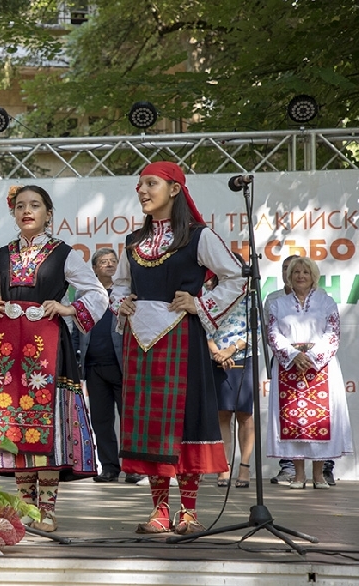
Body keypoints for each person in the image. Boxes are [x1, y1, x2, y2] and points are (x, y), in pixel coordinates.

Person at [112, 161, 245, 535]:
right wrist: (119, 303)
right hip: (140, 341)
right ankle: (158, 510)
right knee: (150, 425)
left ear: (174, 189)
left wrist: (200, 304)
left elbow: (236, 276)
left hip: (182, 339)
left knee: (186, 419)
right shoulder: (133, 242)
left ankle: (188, 510)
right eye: (139, 185)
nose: (142, 191)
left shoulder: (197, 236)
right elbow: (120, 285)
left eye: (151, 183)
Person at [0, 184, 107, 533]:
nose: (27, 211)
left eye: (35, 205)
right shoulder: (2, 254)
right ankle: (25, 509)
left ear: (48, 213)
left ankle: (47, 510)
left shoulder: (64, 253)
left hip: (48, 347)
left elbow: (97, 292)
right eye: (20, 205)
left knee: (46, 425)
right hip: (9, 350)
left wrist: (67, 307)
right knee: (16, 425)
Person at [266, 257, 353, 489]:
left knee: (320, 420)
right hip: (289, 367)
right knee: (294, 422)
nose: (300, 276)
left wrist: (312, 358)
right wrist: (294, 355)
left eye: (305, 272)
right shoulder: (278, 304)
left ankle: (319, 475)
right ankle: (298, 476)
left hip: (321, 368)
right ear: (289, 276)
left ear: (313, 276)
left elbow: (332, 333)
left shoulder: (326, 302)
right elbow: (273, 334)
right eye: (296, 272)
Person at [73, 248, 142, 484]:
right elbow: (76, 332)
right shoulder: (84, 296)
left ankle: (132, 467)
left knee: (128, 418)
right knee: (101, 420)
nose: (110, 265)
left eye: (113, 261)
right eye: (104, 262)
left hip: (122, 365)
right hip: (93, 366)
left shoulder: (127, 295)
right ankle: (110, 467)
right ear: (93, 268)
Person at [204, 269, 255, 489]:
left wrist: (231, 350)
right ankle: (223, 466)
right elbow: (203, 327)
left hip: (244, 356)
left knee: (244, 414)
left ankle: (244, 467)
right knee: (222, 414)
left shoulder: (250, 297)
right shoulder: (208, 297)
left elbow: (256, 330)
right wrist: (216, 351)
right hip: (215, 357)